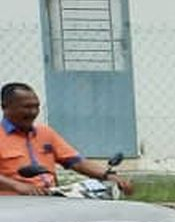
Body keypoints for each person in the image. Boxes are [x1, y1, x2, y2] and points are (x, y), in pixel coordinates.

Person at [0, 82, 133, 196]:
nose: (33, 112)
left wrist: (109, 176)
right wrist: (17, 186)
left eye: (37, 106)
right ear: (5, 107)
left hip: (50, 197)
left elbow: (76, 162)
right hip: (14, 204)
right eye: (27, 107)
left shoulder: (45, 132)